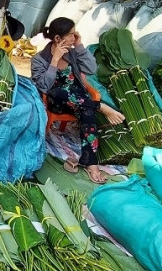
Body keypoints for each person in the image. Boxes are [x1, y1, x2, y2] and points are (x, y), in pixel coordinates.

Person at [31, 17, 125, 184]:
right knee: (58, 92)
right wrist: (54, 61)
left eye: (75, 34)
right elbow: (44, 87)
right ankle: (100, 106)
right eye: (71, 35)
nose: (74, 38)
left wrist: (80, 46)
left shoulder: (73, 53)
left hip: (80, 100)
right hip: (58, 101)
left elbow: (91, 69)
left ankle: (91, 163)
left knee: (88, 112)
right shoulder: (39, 59)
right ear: (58, 38)